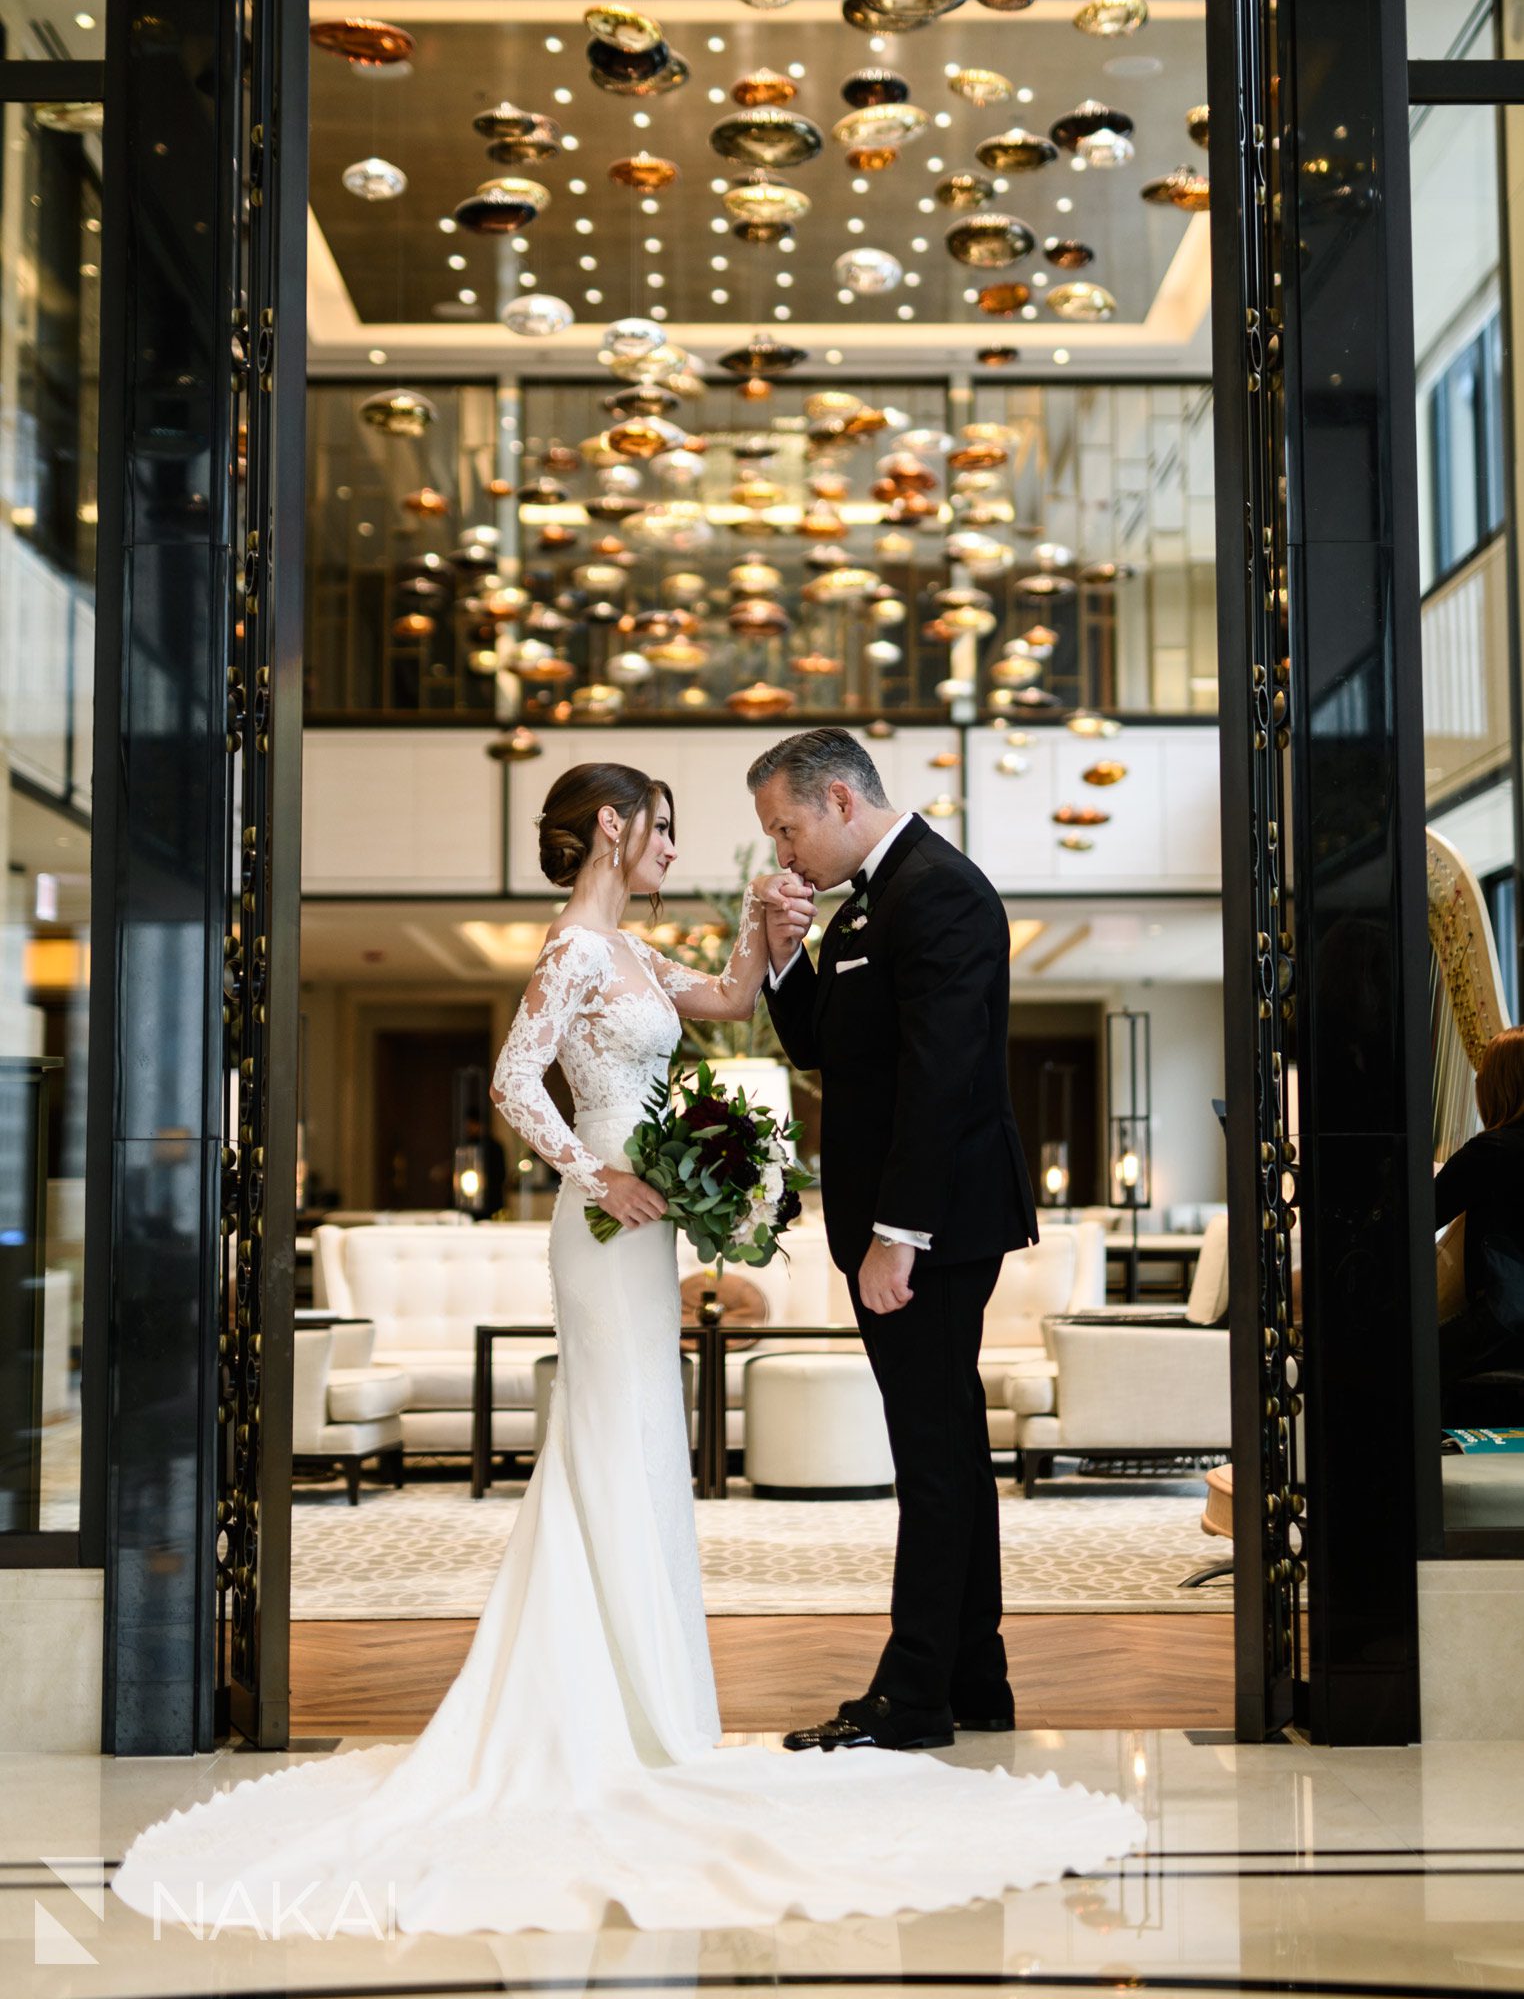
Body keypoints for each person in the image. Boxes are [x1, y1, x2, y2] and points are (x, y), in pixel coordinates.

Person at [111, 758, 1140, 1938]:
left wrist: (764, 936)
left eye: (771, 827)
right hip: (602, 1225)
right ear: (613, 827)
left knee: (649, 1438)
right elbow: (511, 1078)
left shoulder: (647, 954)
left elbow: (733, 1005)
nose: (687, 846)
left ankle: (670, 1695)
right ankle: (608, 1696)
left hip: (653, 1228)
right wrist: (595, 1167)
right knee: (613, 1430)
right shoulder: (570, 951)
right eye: (665, 828)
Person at [748, 728, 1038, 1753]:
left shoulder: (938, 889)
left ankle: (913, 1693)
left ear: (837, 798)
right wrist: (786, 953)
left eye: (786, 827)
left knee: (930, 1455)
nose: (783, 851)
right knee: (951, 1442)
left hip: (938, 1221)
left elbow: (942, 1078)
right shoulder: (870, 897)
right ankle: (972, 1677)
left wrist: (896, 1234)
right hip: (915, 1218)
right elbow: (831, 1049)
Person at [1435, 1024, 1524, 1428]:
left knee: (1396, 1362)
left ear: (1494, 1085)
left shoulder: (1491, 1152)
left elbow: (1413, 1220)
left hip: (1507, 1328)